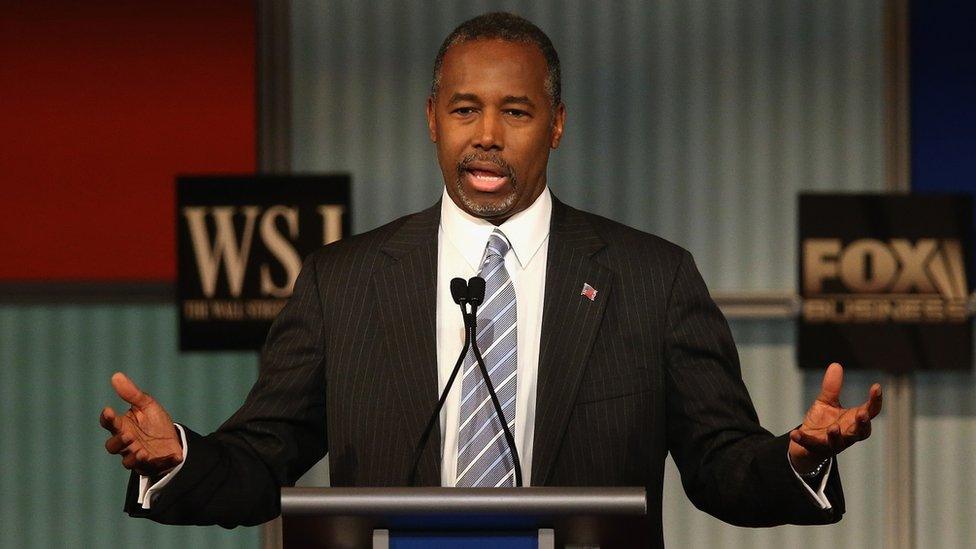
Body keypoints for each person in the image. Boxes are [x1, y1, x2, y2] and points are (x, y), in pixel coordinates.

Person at [101, 12, 882, 546]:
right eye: (465, 109)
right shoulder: (343, 282)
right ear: (432, 116)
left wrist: (799, 456)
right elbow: (261, 459)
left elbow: (720, 468)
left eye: (515, 112)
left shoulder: (652, 279)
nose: (485, 137)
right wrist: (179, 456)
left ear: (558, 123)